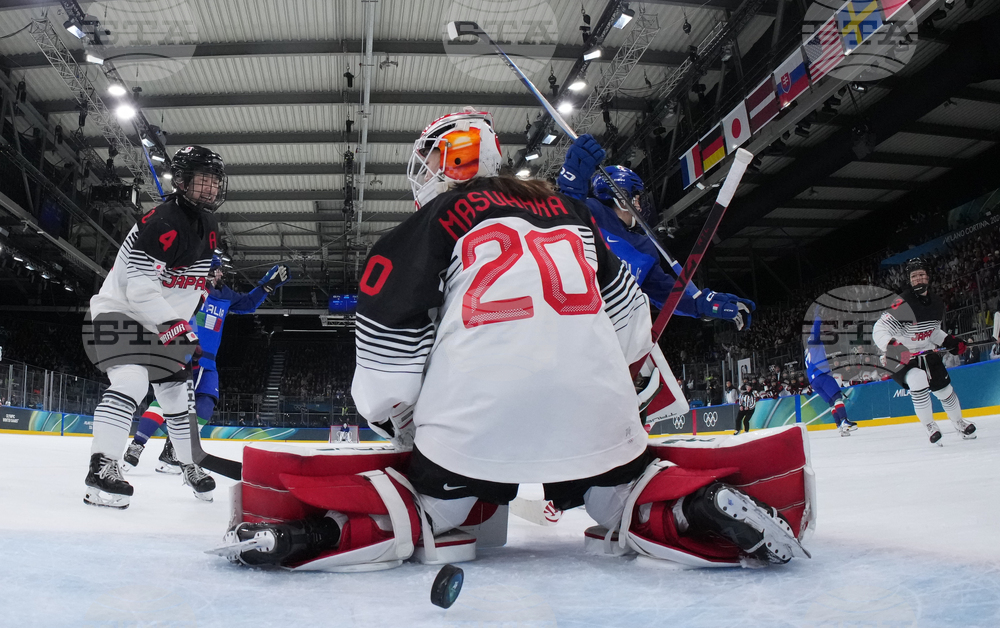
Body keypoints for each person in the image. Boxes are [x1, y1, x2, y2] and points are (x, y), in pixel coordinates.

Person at [213, 109, 807, 570]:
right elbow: (631, 336)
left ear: (442, 164)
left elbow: (388, 378)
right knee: (616, 496)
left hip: (477, 430)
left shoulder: (416, 231)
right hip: (596, 414)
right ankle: (686, 508)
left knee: (433, 509)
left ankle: (315, 532)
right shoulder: (575, 214)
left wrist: (400, 424)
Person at [83, 145, 227, 509]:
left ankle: (188, 463)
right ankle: (102, 466)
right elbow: (140, 286)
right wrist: (178, 328)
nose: (210, 188)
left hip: (160, 320)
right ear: (180, 181)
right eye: (202, 181)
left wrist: (184, 321)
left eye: (214, 181)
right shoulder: (163, 220)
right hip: (122, 311)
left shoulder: (208, 225)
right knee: (132, 381)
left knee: (178, 398)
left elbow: (189, 285)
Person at [555, 135, 755, 330]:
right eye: (637, 197)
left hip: (609, 334)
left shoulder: (643, 247)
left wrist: (702, 304)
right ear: (622, 195)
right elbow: (564, 220)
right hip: (567, 319)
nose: (640, 205)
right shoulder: (590, 210)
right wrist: (572, 185)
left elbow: (667, 294)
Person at [122, 256, 289, 479]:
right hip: (183, 353)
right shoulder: (186, 287)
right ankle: (137, 446)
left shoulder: (224, 293)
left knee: (206, 404)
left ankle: (172, 452)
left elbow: (247, 304)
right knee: (166, 401)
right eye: (217, 270)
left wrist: (266, 286)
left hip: (208, 361)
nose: (221, 274)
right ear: (204, 272)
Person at [873, 257, 976, 445]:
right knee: (917, 380)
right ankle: (930, 426)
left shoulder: (936, 302)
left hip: (927, 355)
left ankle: (959, 423)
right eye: (914, 276)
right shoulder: (902, 302)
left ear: (928, 277)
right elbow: (879, 328)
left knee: (945, 391)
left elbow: (933, 332)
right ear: (910, 280)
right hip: (902, 357)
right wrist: (891, 345)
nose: (918, 279)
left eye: (921, 274)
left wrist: (949, 341)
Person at [804, 316, 859, 437]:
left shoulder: (807, 354)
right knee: (837, 396)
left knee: (831, 401)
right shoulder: (814, 343)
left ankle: (839, 426)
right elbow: (815, 331)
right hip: (822, 376)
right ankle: (844, 420)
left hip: (813, 381)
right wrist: (817, 320)